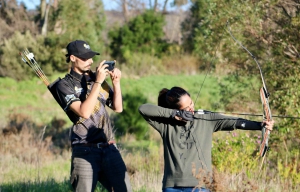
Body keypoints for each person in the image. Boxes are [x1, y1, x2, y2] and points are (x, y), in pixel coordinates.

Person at [138, 86, 274, 192]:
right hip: (171, 186)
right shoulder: (165, 125)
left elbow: (235, 122)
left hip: (199, 186)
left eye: (191, 103)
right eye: (186, 108)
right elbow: (143, 109)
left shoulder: (206, 119)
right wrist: (174, 114)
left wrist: (260, 125)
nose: (192, 108)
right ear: (176, 110)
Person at [55, 40, 132, 192]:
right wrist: (98, 82)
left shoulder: (96, 79)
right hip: (85, 150)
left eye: (91, 57)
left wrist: (116, 83)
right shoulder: (64, 85)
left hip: (109, 147)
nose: (90, 61)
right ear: (72, 58)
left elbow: (118, 108)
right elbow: (84, 112)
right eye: (84, 58)